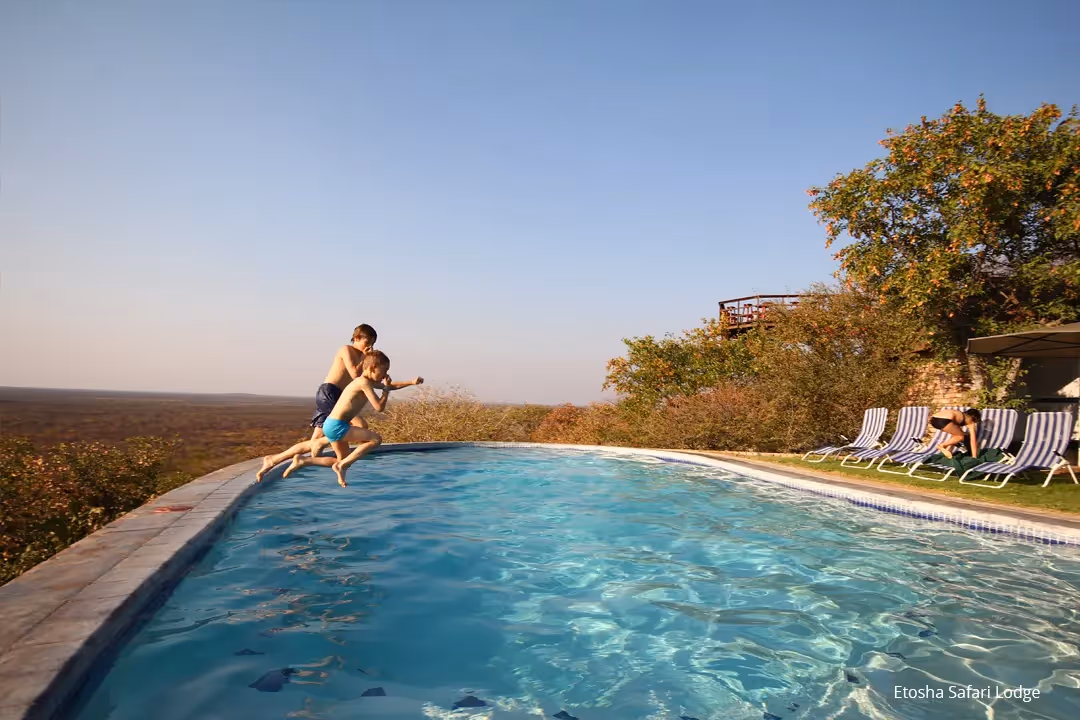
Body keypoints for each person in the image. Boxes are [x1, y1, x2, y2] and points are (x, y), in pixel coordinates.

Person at [257, 351, 399, 487]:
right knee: (375, 439)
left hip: (332, 424)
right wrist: (385, 391)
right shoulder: (364, 383)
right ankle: (341, 465)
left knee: (341, 459)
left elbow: (390, 386)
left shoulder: (365, 381)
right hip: (337, 425)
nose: (385, 375)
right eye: (384, 370)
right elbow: (379, 407)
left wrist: (411, 382)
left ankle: (303, 461)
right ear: (373, 368)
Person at [308, 324, 422, 443]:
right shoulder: (346, 350)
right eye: (367, 343)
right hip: (329, 392)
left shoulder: (365, 361)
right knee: (359, 424)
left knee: (318, 435)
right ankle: (338, 447)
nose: (370, 346)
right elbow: (355, 375)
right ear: (356, 338)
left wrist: (411, 382)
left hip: (341, 395)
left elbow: (384, 385)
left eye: (372, 344)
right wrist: (364, 356)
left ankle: (301, 457)